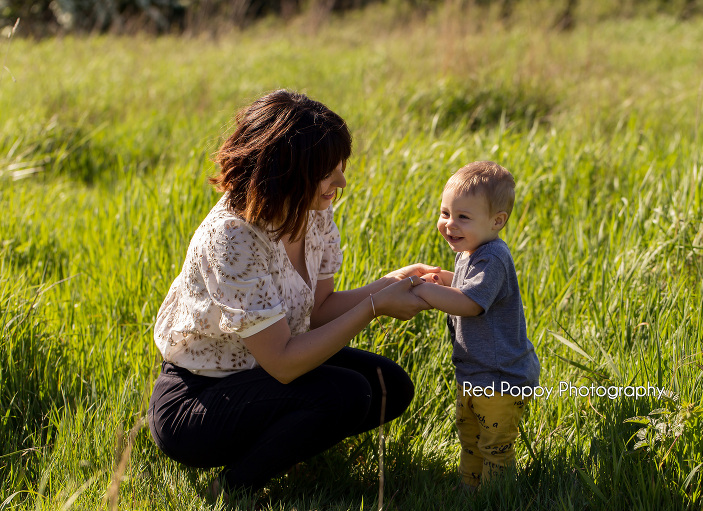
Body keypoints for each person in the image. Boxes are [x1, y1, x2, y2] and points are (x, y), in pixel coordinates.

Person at [147, 89, 440, 495]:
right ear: (287, 171)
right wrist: (374, 306)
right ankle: (232, 487)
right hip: (201, 398)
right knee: (347, 395)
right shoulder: (232, 236)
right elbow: (284, 364)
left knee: (389, 385)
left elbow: (319, 310)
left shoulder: (310, 211)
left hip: (261, 371)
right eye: (328, 171)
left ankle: (280, 446)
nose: (341, 182)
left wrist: (390, 284)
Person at [410, 161, 540, 488]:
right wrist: (442, 280)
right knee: (470, 439)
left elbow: (470, 303)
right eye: (445, 213)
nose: (449, 224)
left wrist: (423, 291)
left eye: (463, 217)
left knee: (494, 447)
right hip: (475, 373)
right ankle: (470, 492)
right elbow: (465, 287)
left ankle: (496, 499)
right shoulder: (469, 251)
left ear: (497, 221)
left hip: (500, 378)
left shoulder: (493, 257)